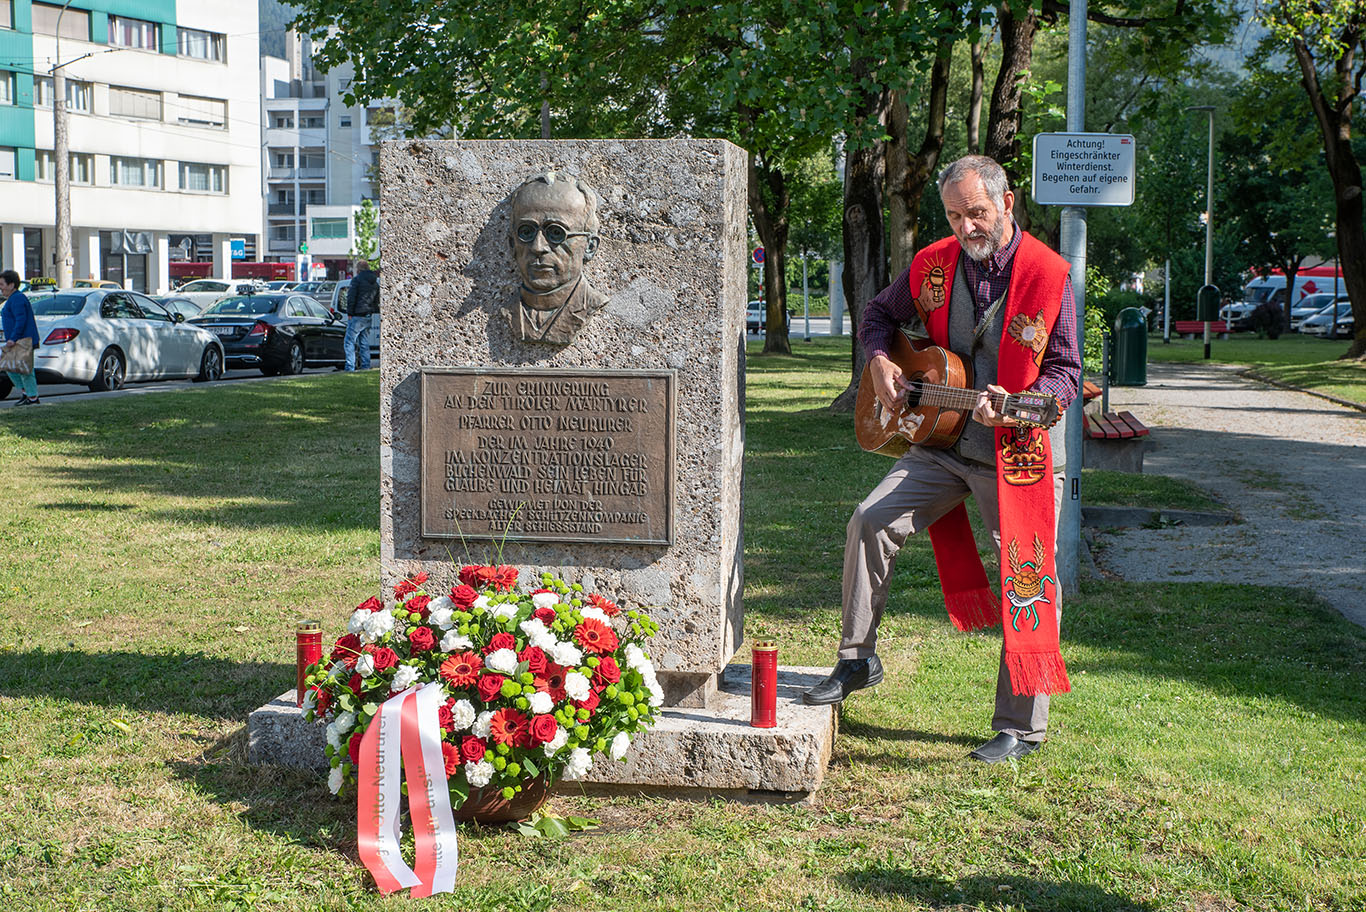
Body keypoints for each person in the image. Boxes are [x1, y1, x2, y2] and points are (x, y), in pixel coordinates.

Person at [803, 156, 1080, 765]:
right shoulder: (934, 265)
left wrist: (1023, 405)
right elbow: (878, 314)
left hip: (1017, 454)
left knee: (1028, 582)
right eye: (954, 215)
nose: (966, 226)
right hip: (941, 444)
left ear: (1008, 205)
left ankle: (1020, 726)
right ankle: (856, 659)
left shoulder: (1048, 274)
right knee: (870, 520)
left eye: (976, 213)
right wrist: (877, 360)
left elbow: (1065, 375)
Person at [504, 172, 607, 345]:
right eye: (526, 232)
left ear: (589, 247)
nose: (538, 247)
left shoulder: (593, 302)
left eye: (556, 233)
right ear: (512, 244)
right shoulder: (506, 308)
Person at [1, 269, 40, 406]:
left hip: (22, 341)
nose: (1, 288)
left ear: (11, 285)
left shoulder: (17, 298)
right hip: (17, 340)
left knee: (25, 370)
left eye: (2, 284)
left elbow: (20, 320)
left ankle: (32, 398)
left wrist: (13, 338)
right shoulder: (13, 298)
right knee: (10, 368)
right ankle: (26, 393)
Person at [344, 260, 379, 370]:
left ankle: (350, 367)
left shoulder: (357, 280)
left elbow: (351, 297)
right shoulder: (375, 282)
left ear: (358, 270)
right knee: (364, 342)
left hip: (357, 315)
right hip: (368, 314)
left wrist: (350, 312)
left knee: (349, 341)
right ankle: (366, 366)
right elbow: (376, 299)